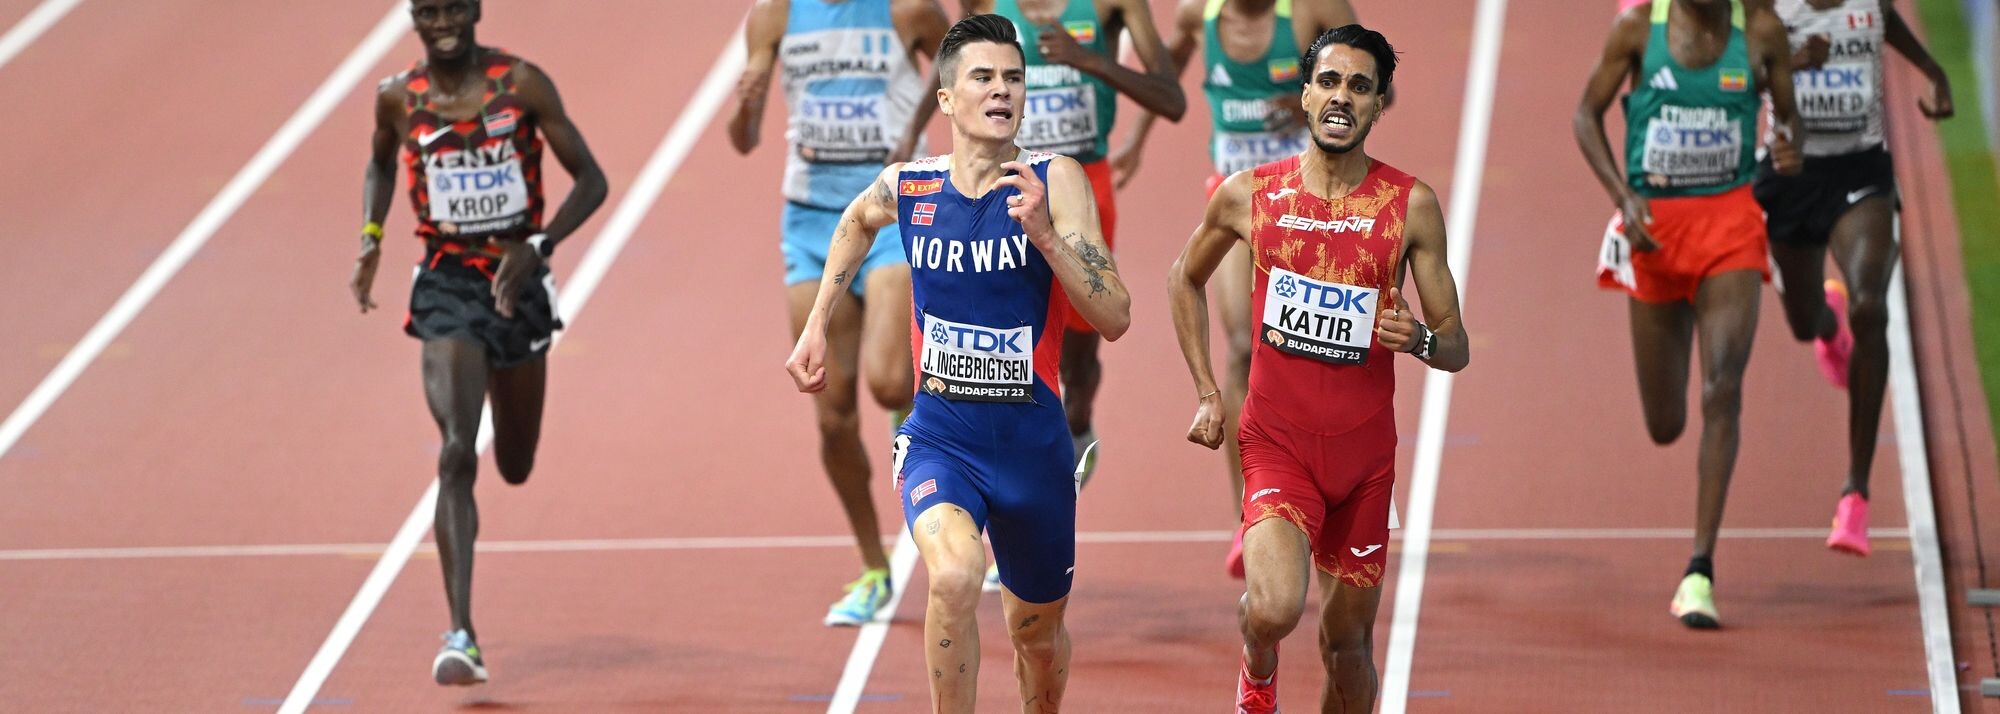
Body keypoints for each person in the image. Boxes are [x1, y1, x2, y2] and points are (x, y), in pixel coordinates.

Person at [786, 15, 1130, 711]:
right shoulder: (910, 187)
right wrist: (817, 321)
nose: (1002, 89)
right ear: (946, 99)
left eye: (1013, 78)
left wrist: (1046, 237)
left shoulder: (1055, 180)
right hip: (942, 439)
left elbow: (1115, 315)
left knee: (1037, 641)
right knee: (952, 577)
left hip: (1033, 448)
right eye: (983, 77)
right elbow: (855, 221)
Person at [1169, 24, 1469, 713]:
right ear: (1303, 95)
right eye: (1329, 82)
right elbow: (1183, 278)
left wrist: (1421, 340)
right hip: (1278, 446)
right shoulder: (1249, 195)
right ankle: (1257, 662)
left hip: (1364, 465)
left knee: (1348, 651)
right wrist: (1209, 392)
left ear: (1378, 104)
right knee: (1275, 608)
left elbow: (1456, 346)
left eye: (1360, 87)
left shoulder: (1411, 206)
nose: (1342, 97)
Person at [348, 0, 608, 685]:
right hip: (446, 288)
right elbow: (379, 165)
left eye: (454, 10)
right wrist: (371, 237)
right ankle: (461, 633)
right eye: (428, 12)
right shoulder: (398, 98)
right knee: (457, 450)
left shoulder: (520, 84)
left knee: (515, 464)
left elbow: (593, 180)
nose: (443, 24)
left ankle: (501, 372)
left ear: (475, 10)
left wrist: (539, 245)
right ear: (413, 18)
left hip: (517, 285)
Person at [1574, 0, 1802, 629]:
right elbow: (1585, 114)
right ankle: (1698, 566)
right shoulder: (1637, 29)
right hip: (1654, 232)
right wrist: (1623, 196)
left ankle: (1700, 570)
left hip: (1731, 226)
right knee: (1666, 422)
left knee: (1722, 388)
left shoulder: (1760, 30)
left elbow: (1790, 121)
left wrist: (1790, 145)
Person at [1116, 0, 1359, 579]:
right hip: (1237, 205)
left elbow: (1379, 90)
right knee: (1245, 348)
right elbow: (1167, 77)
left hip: (1312, 207)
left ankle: (1330, 494)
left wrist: (1317, 106)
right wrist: (1136, 140)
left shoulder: (1312, 13)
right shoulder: (1198, 14)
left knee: (1320, 352)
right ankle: (1249, 515)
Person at [730, 0, 953, 627]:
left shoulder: (909, 10)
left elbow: (961, 80)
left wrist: (915, 134)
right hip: (810, 223)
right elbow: (744, 140)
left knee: (890, 383)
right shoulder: (773, 16)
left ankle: (927, 455)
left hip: (891, 214)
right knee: (832, 418)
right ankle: (874, 568)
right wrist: (747, 104)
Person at [1752, 0, 1952, 557]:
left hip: (1861, 171)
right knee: (1803, 321)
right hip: (1791, 176)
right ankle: (1825, 325)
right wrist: (1792, 63)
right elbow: (1737, 80)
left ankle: (1855, 493)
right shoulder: (1769, 7)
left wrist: (1933, 70)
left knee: (1871, 305)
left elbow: (1885, 20)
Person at [961, 0, 1186, 492]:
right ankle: (1004, 481)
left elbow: (1172, 99)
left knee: (1077, 364)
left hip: (1085, 188)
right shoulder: (984, 5)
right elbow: (956, 78)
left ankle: (1078, 423)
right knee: (1003, 341)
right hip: (1007, 181)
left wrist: (1088, 60)